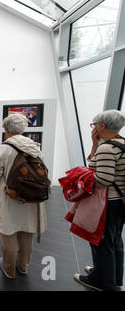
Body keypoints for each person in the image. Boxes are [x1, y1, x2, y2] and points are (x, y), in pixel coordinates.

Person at [0, 113, 47, 279]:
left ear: (6, 130)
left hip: (9, 196)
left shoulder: (1, 150)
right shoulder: (35, 147)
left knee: (9, 231)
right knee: (26, 230)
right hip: (32, 196)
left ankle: (9, 269)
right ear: (23, 129)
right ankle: (23, 266)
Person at [74, 110, 125, 291]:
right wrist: (95, 144)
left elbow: (103, 178)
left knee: (101, 242)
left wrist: (81, 179)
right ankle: (113, 277)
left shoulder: (107, 148)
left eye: (94, 124)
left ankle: (102, 282)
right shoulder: (122, 144)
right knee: (115, 240)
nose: (93, 128)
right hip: (120, 202)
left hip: (107, 203)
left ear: (102, 126)